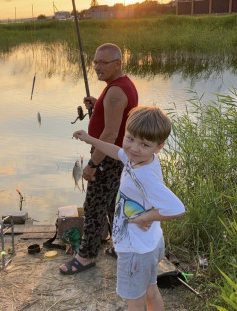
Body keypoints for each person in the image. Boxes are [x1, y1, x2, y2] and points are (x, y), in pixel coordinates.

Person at [72, 106, 185, 311]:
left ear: (159, 147)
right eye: (130, 138)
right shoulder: (141, 160)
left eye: (144, 144)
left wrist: (144, 218)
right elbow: (118, 152)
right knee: (150, 290)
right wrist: (90, 139)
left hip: (135, 249)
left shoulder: (144, 175)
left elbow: (176, 208)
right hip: (149, 244)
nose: (133, 148)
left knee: (134, 300)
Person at [60, 43, 138, 274]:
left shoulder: (115, 91)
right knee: (114, 205)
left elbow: (111, 134)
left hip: (109, 158)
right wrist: (99, 104)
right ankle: (121, 246)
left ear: (118, 64)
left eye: (103, 62)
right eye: (95, 62)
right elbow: (117, 115)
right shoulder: (120, 86)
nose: (96, 67)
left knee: (94, 207)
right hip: (118, 157)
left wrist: (93, 163)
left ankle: (85, 257)